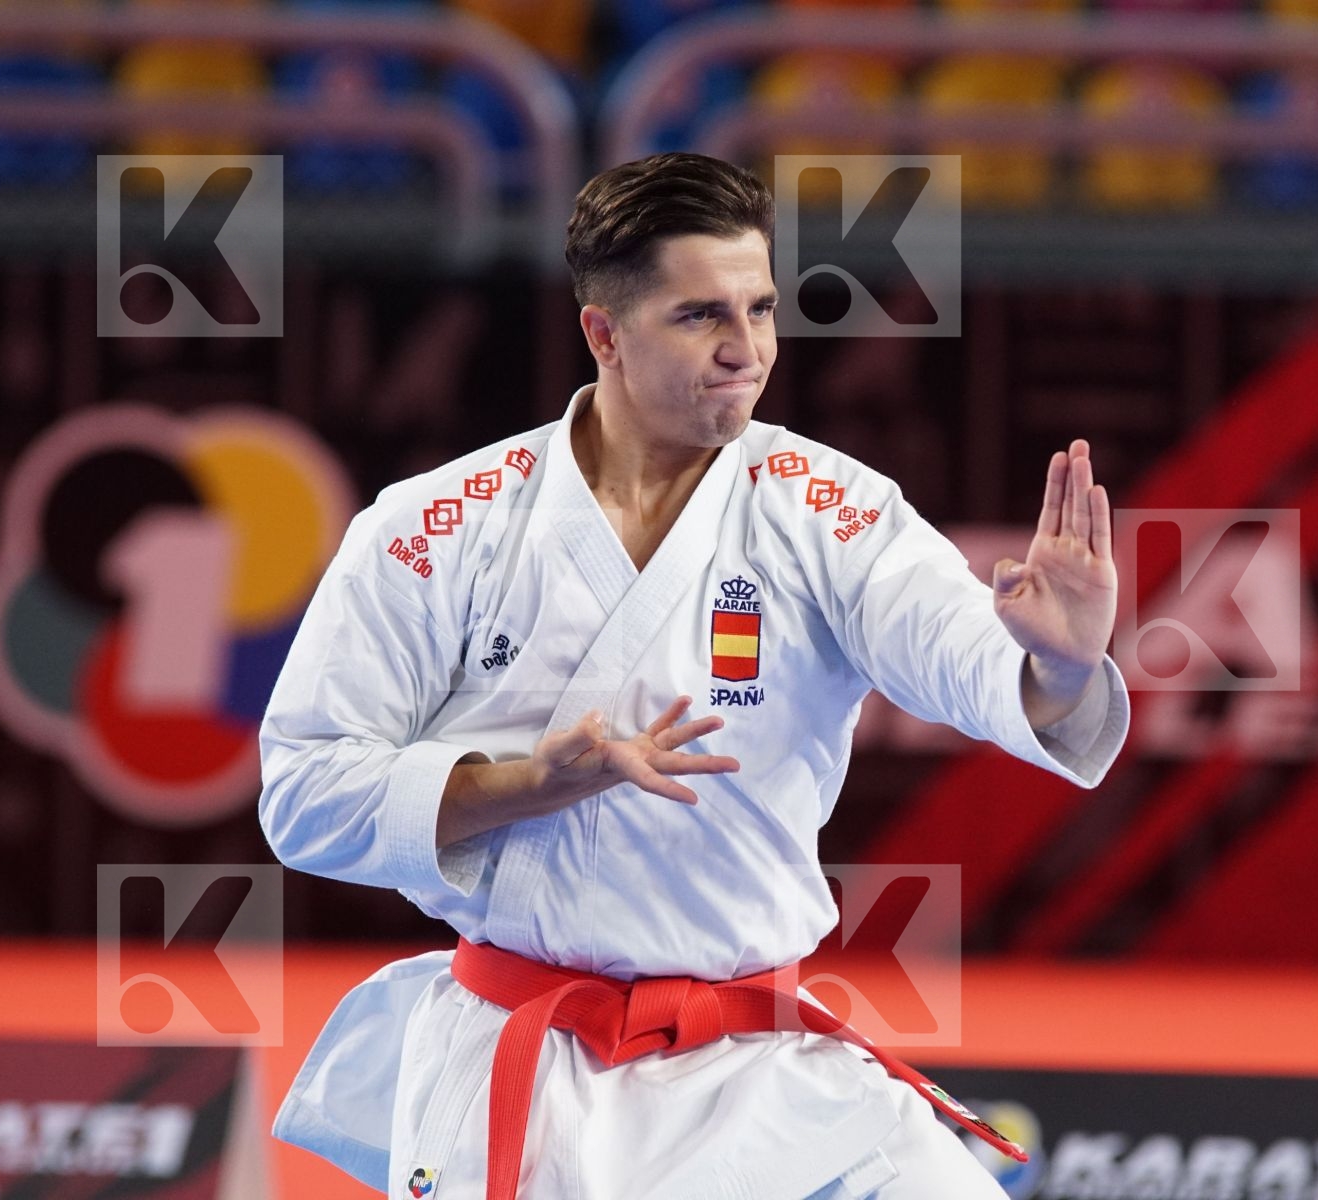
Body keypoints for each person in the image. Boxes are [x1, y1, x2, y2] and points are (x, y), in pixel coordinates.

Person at [259, 151, 1131, 1200]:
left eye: (760, 309)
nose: (746, 350)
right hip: (533, 1076)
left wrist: (1058, 663)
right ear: (604, 333)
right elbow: (303, 793)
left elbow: (959, 653)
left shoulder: (824, 507)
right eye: (700, 317)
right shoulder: (435, 528)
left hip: (765, 1073)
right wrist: (528, 785)